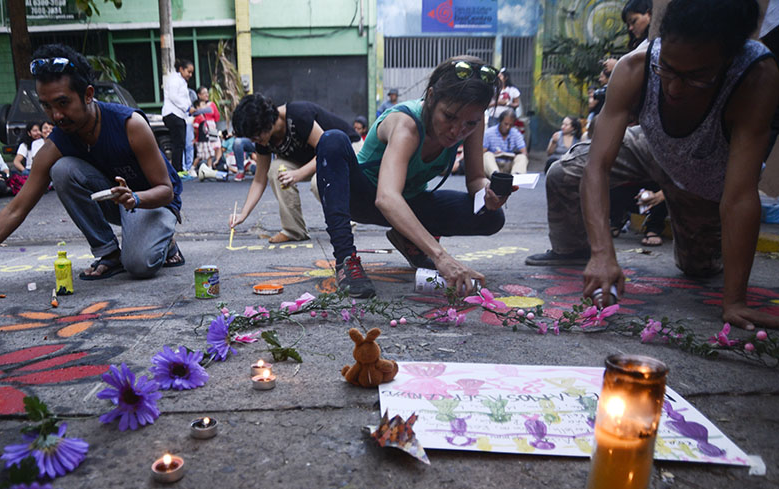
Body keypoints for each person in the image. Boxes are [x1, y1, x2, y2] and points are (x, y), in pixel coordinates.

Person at [526, 0, 779, 331]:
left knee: (698, 267)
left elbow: (740, 195)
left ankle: (703, 257)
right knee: (564, 172)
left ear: (728, 60)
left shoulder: (756, 76)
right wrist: (602, 252)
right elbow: (597, 167)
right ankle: (575, 251)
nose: (674, 87)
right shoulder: (638, 66)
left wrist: (734, 301)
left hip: (708, 176)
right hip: (651, 145)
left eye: (696, 77)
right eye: (669, 70)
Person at [0, 43, 184, 285]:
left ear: (88, 94)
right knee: (62, 169)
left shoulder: (130, 125)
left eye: (63, 103)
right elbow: (16, 209)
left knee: (139, 265)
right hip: (117, 201)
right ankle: (109, 253)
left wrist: (136, 199)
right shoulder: (56, 143)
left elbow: (166, 190)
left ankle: (166, 239)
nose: (55, 115)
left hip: (154, 201)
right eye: (46, 105)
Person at [314, 56, 508, 298]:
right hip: (365, 199)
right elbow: (386, 198)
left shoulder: (473, 121)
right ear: (431, 97)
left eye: (470, 123)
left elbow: (476, 179)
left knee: (491, 217)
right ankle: (346, 261)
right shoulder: (407, 124)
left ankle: (407, 239)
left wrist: (487, 194)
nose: (457, 131)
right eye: (449, 117)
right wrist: (441, 256)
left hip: (411, 203)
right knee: (332, 140)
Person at [230, 94, 361, 244]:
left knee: (319, 181)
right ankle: (294, 230)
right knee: (275, 170)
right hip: (313, 159)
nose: (255, 141)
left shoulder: (298, 115)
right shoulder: (264, 139)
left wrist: (298, 174)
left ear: (266, 123)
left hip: (345, 149)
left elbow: (326, 150)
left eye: (256, 137)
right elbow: (259, 180)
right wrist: (243, 214)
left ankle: (343, 224)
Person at [161, 58, 194, 174]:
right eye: (188, 72)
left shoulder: (182, 81)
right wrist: (187, 108)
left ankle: (178, 169)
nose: (190, 75)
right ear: (181, 69)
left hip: (178, 115)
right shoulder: (174, 79)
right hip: (173, 114)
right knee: (178, 143)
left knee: (179, 143)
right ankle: (177, 170)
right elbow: (174, 97)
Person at [483, 108, 528, 175]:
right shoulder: (489, 133)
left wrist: (512, 155)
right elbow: (482, 152)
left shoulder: (516, 134)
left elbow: (524, 152)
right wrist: (495, 154)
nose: (507, 127)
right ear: (500, 122)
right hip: (494, 164)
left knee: (522, 157)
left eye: (510, 125)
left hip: (509, 165)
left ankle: (516, 176)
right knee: (486, 155)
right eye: (505, 124)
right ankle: (496, 175)